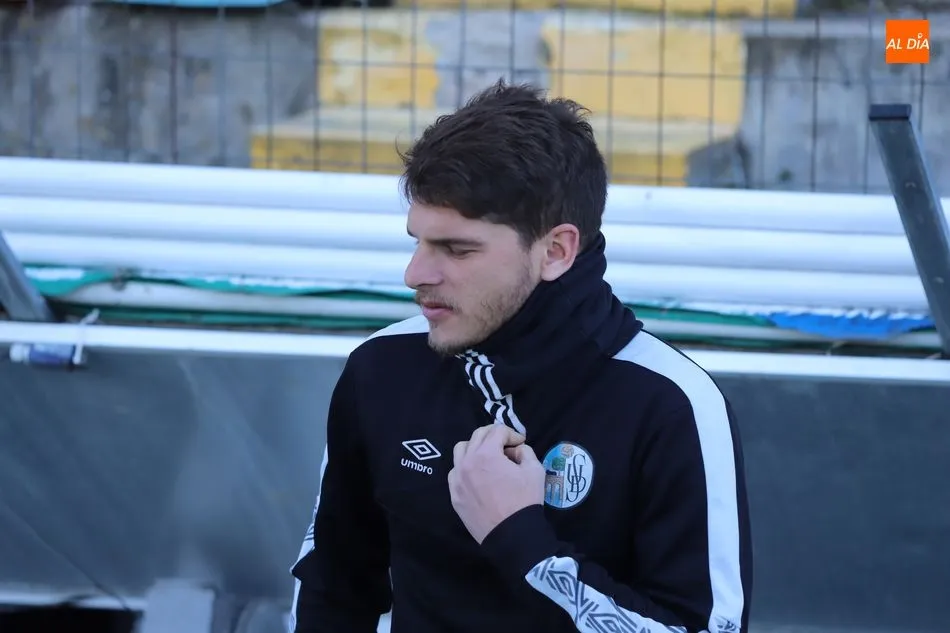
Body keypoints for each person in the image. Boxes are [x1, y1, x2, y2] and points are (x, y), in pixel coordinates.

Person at [289, 79, 753, 633]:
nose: (415, 274)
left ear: (555, 251)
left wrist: (522, 543)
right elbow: (331, 587)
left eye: (457, 249)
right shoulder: (382, 368)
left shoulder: (670, 404)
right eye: (418, 241)